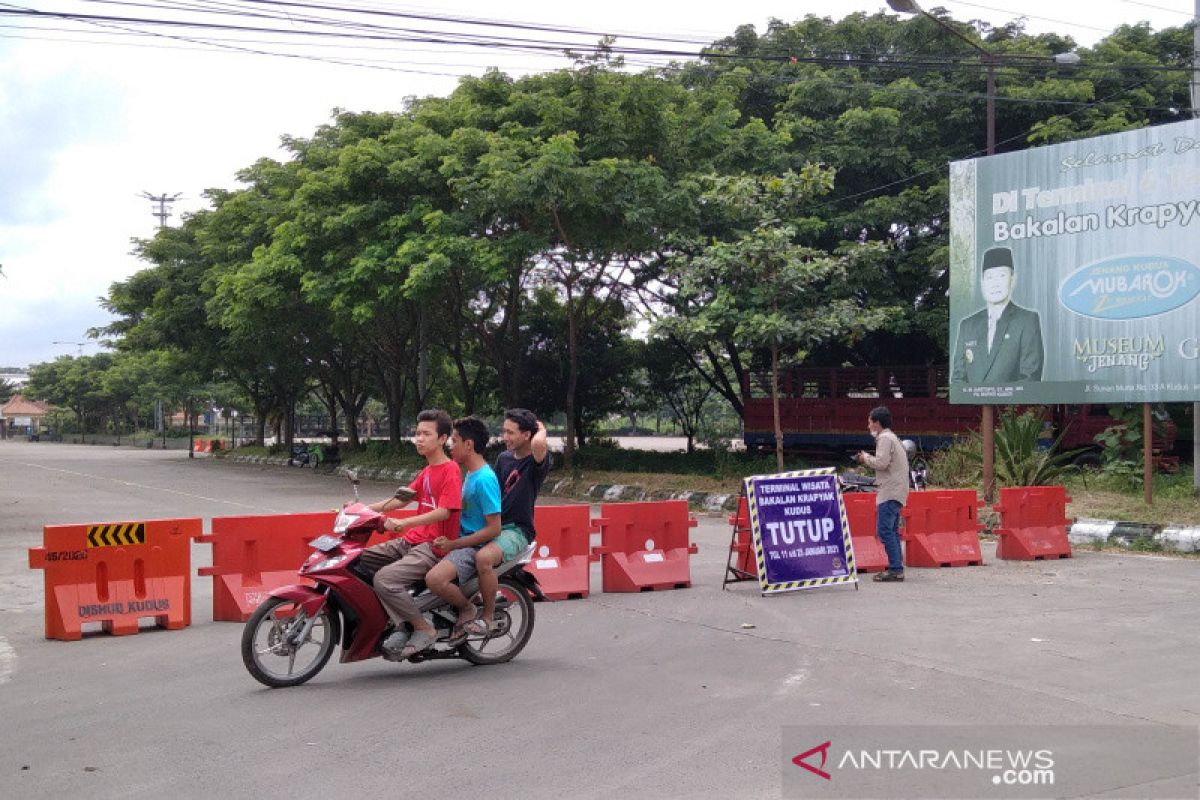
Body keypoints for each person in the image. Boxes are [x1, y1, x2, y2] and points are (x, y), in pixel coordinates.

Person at [358, 409, 462, 659]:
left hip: (433, 547)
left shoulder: (450, 470)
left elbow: (445, 512)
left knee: (385, 579)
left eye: (426, 434)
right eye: (417, 433)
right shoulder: (426, 472)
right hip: (412, 541)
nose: (420, 439)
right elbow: (400, 500)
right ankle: (399, 623)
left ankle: (423, 628)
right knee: (357, 562)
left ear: (442, 438)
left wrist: (403, 524)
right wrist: (359, 509)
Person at [422, 416, 502, 640]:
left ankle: (469, 608)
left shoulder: (484, 479)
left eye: (454, 441)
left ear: (469, 445)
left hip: (473, 546)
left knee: (435, 579)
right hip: (458, 542)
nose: (450, 446)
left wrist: (455, 544)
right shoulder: (468, 474)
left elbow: (494, 528)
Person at [474, 408, 550, 630]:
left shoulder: (537, 462)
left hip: (516, 531)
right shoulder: (504, 458)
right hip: (494, 525)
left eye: (510, 432)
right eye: (503, 431)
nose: (504, 437)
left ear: (527, 435)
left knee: (483, 559)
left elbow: (537, 445)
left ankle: (486, 618)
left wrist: (541, 427)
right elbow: (494, 495)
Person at [951, 246, 1044, 385]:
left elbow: (1030, 377)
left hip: (1010, 405)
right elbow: (958, 377)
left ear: (1013, 279)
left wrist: (998, 395)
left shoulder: (1027, 320)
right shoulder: (967, 325)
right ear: (982, 282)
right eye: (989, 277)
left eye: (1002, 275)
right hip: (974, 405)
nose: (995, 283)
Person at [855, 406, 909, 582]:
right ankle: (897, 566)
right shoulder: (893, 437)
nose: (868, 425)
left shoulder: (884, 438)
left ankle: (895, 569)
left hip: (889, 491)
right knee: (892, 530)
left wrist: (865, 458)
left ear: (877, 423)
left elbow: (882, 463)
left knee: (884, 530)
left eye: (870, 422)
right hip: (897, 490)